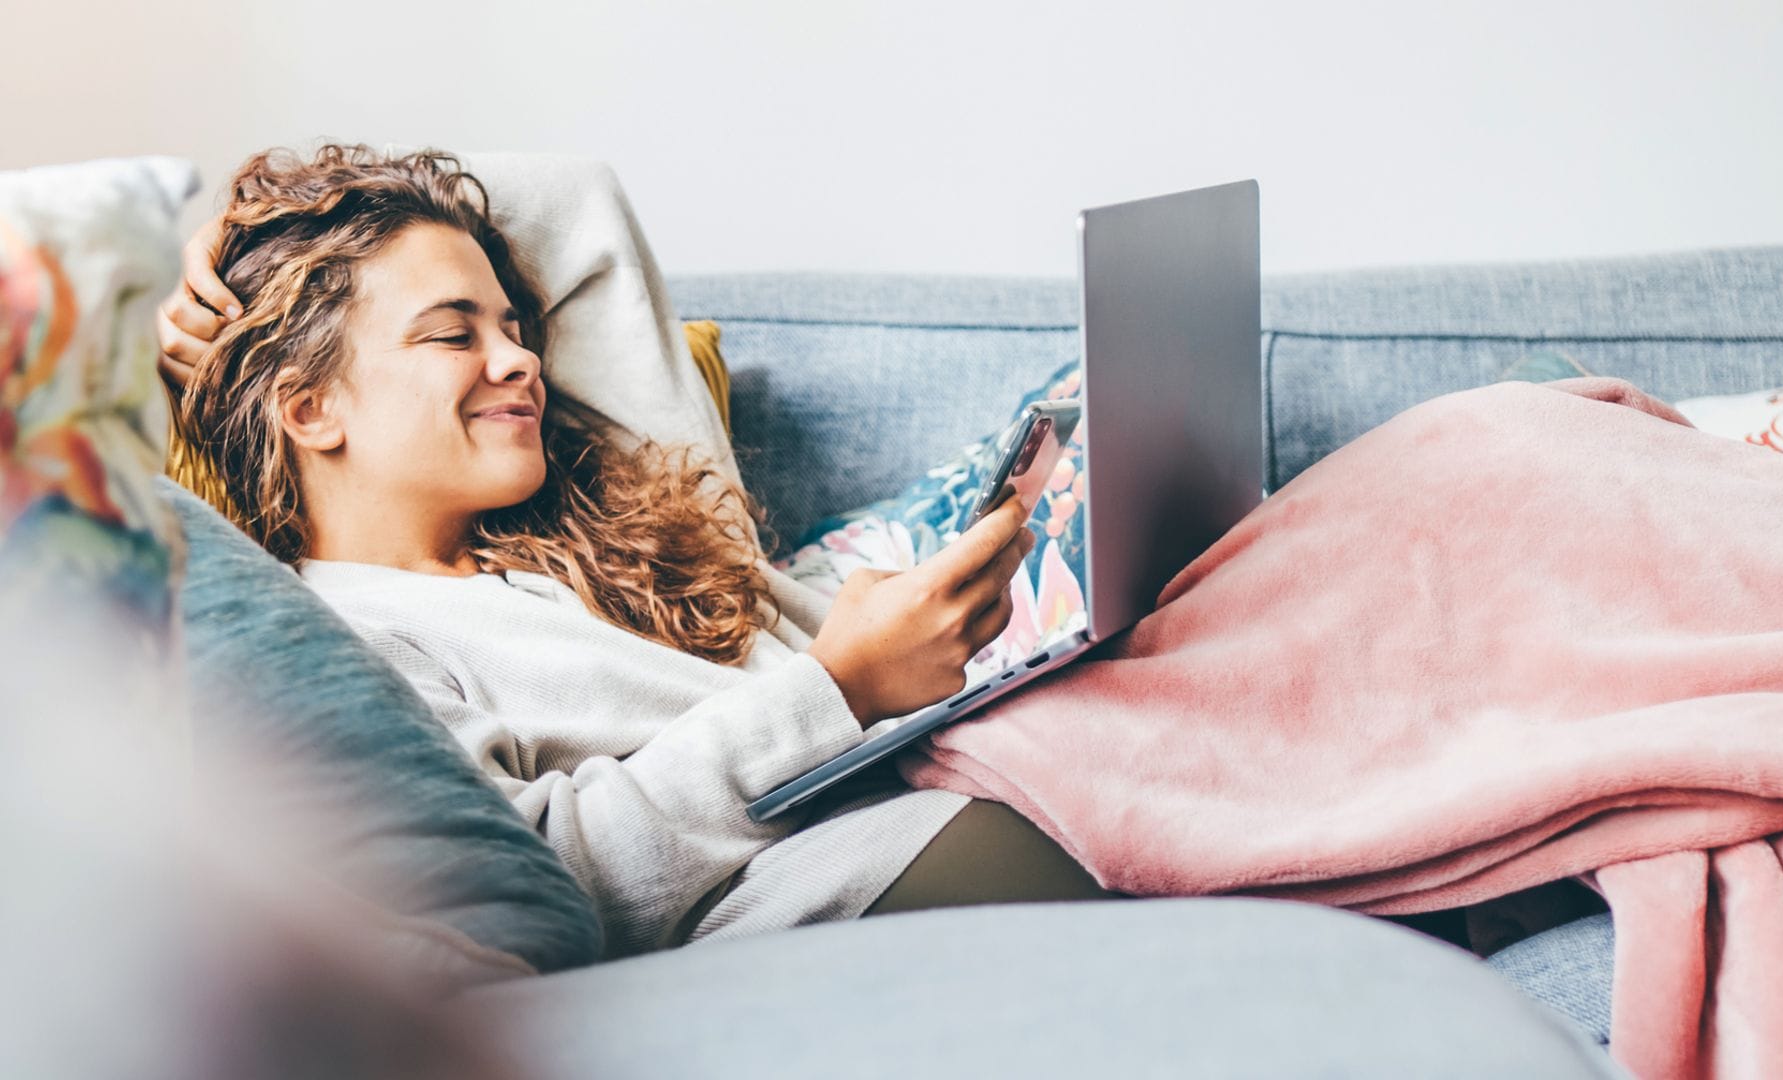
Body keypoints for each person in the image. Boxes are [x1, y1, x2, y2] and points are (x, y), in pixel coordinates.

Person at [156, 143, 1123, 959]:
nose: (522, 360)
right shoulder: (349, 641)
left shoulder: (608, 517)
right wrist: (838, 688)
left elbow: (576, 201)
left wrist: (253, 234)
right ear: (309, 406)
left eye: (516, 327)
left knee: (1268, 553)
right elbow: (535, 871)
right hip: (870, 862)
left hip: (992, 748)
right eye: (454, 334)